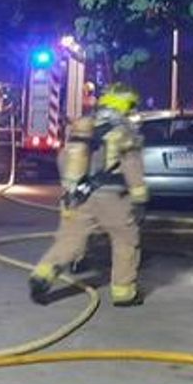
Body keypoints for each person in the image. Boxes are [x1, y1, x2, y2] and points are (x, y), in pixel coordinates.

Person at [29, 83, 149, 307]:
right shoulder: (124, 130)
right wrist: (140, 198)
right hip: (114, 198)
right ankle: (124, 292)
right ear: (124, 104)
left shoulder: (84, 126)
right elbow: (132, 165)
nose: (133, 110)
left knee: (70, 240)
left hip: (81, 196)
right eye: (131, 105)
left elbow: (64, 158)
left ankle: (42, 275)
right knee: (125, 240)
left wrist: (70, 189)